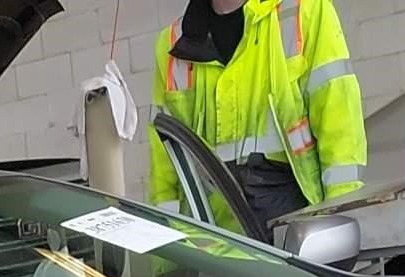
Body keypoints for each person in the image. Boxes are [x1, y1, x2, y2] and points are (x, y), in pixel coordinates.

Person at [150, 0, 367, 230]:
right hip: (214, 247)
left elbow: (341, 136)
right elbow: (164, 171)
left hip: (296, 235)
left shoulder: (304, 11)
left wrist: (342, 232)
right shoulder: (173, 44)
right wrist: (168, 262)